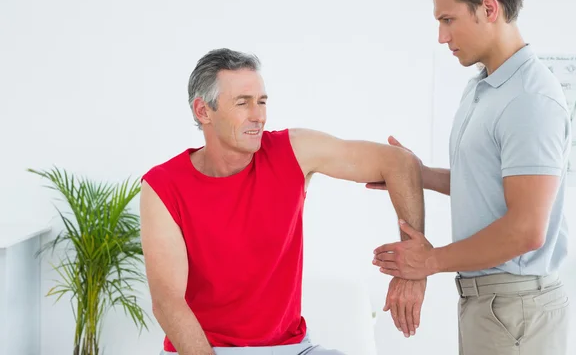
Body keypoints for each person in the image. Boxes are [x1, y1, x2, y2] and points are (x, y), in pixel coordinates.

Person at [140, 48, 426, 355]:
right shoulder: (162, 186)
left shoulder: (293, 151)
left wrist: (414, 270)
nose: (258, 115)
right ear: (203, 111)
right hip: (200, 350)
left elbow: (399, 163)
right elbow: (168, 301)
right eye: (243, 103)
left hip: (291, 348)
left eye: (261, 101)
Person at [370, 0, 571, 354]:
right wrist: (421, 173)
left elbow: (527, 229)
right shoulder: (484, 88)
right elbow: (487, 185)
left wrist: (430, 261)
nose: (443, 37)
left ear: (489, 8)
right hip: (491, 303)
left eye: (448, 20)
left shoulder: (530, 98)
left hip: (518, 308)